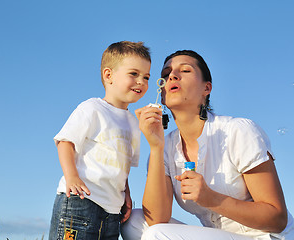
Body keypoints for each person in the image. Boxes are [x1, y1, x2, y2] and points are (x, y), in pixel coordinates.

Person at [121, 50, 294, 239]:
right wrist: (155, 147)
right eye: (165, 74)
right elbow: (157, 218)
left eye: (185, 71)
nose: (172, 76)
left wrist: (211, 199)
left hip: (265, 236)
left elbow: (277, 219)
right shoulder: (166, 145)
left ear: (207, 88)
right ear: (161, 94)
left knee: (157, 235)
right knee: (135, 222)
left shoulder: (238, 131)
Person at [48, 41, 151, 240]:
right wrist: (72, 177)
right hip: (81, 201)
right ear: (108, 75)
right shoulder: (93, 108)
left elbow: (124, 166)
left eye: (146, 77)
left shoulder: (133, 121)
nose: (141, 81)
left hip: (112, 211)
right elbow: (65, 142)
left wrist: (126, 195)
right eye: (134, 74)